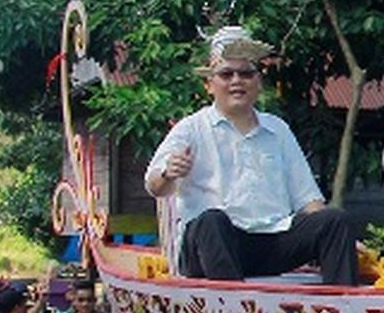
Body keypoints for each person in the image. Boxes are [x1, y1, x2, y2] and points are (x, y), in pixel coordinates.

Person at [146, 25, 357, 286]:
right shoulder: (191, 128)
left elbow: (308, 200)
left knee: (336, 220)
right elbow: (155, 185)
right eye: (226, 74)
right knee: (212, 221)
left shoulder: (277, 130)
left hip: (270, 240)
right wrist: (169, 173)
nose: (237, 81)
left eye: (246, 74)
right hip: (212, 246)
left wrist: (337, 236)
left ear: (258, 82)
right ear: (209, 85)